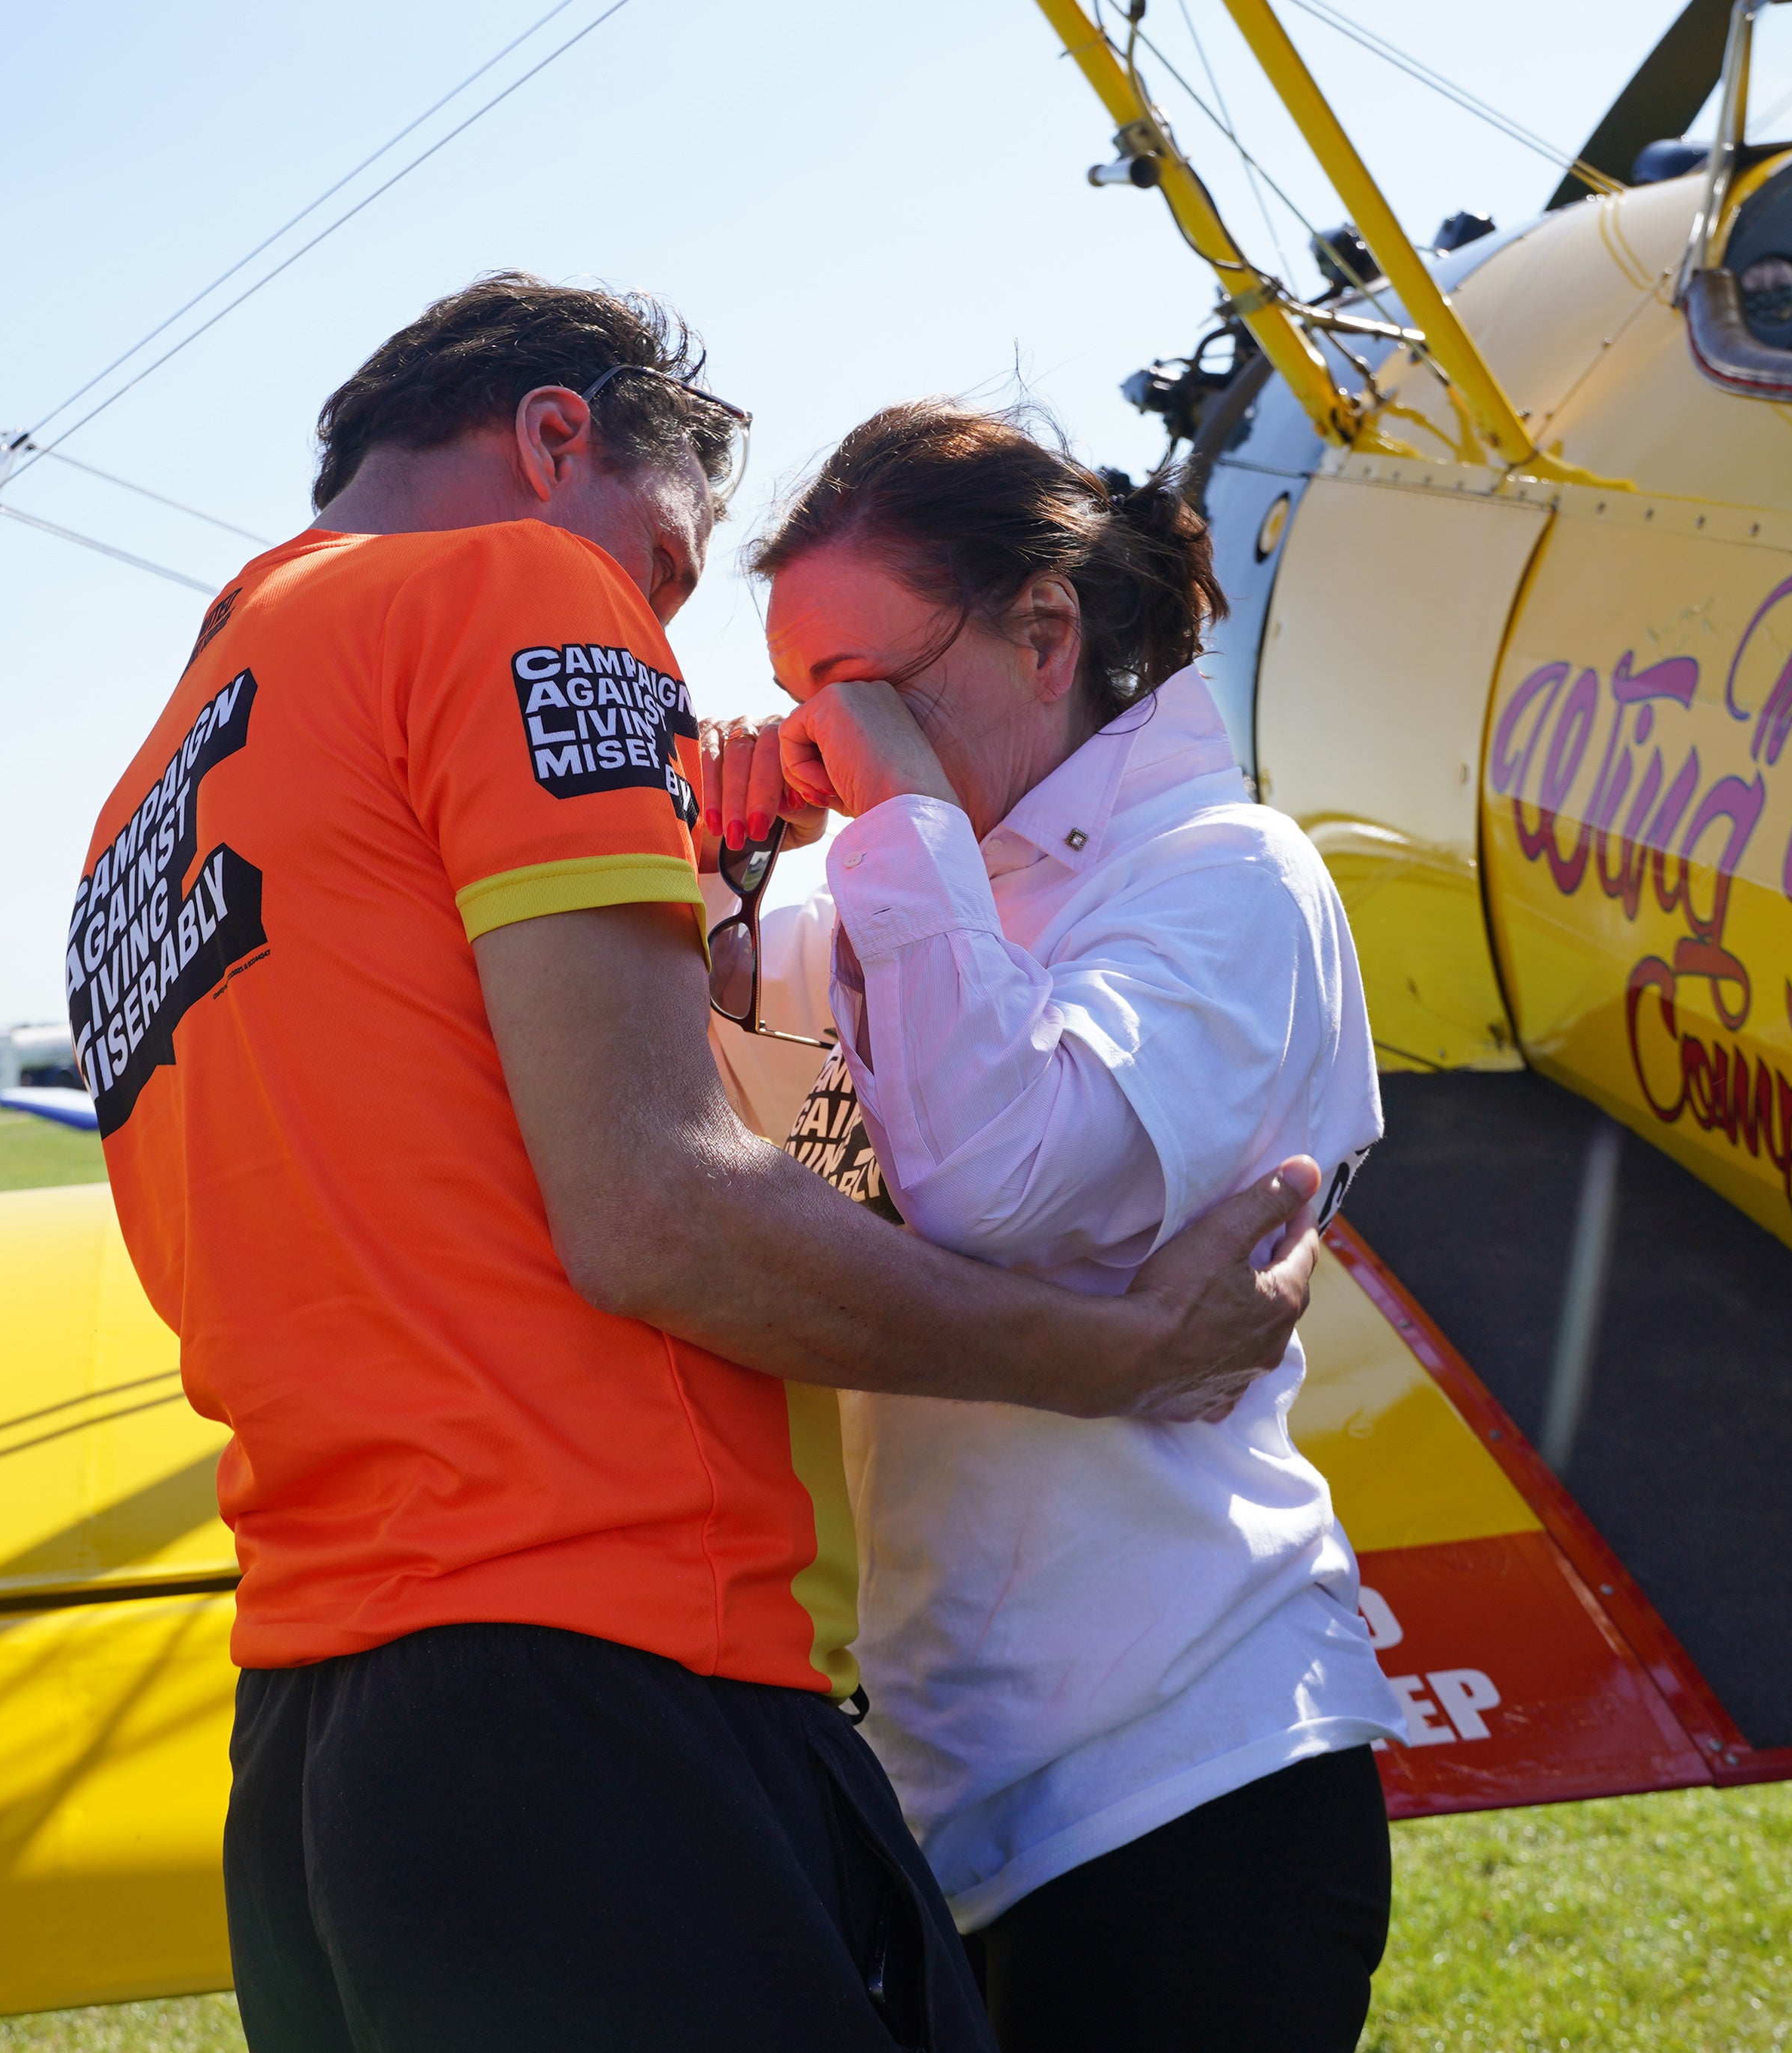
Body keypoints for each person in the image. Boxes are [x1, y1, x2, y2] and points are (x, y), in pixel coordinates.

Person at [72, 273, 1328, 2053]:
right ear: (553, 437)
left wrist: (705, 914)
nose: (654, 651)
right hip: (594, 1676)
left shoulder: (154, 789)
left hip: (313, 1723)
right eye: (662, 577)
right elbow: (656, 1202)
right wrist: (1109, 1351)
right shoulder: (512, 582)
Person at [697, 401, 1403, 2053]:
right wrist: (712, 899)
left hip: (1186, 1760)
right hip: (945, 1788)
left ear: (1042, 631)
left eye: (863, 686)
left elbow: (988, 1176)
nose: (826, 738)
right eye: (802, 695)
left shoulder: (1227, 873)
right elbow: (719, 1200)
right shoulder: (890, 892)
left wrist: (889, 825)